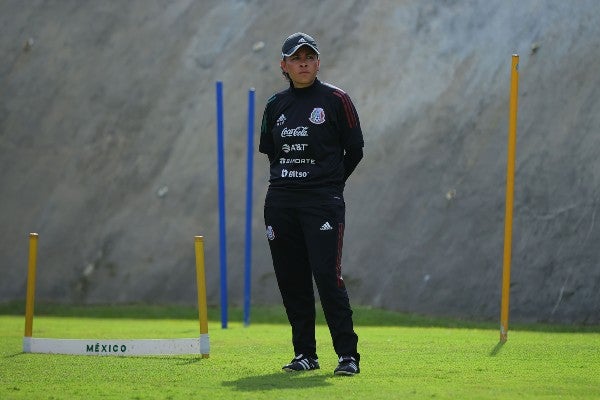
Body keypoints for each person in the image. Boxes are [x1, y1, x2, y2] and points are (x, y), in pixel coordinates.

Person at [259, 32, 364, 376]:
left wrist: (329, 184)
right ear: (284, 66)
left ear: (318, 62)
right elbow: (272, 153)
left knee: (326, 275)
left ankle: (347, 356)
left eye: (309, 57)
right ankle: (305, 354)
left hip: (322, 202)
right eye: (296, 58)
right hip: (281, 202)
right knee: (292, 279)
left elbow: (355, 150)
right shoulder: (275, 105)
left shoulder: (337, 99)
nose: (303, 63)